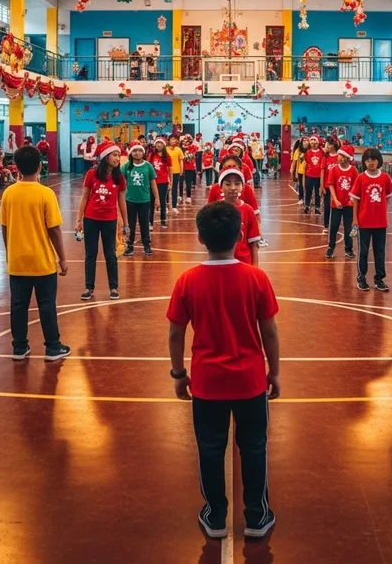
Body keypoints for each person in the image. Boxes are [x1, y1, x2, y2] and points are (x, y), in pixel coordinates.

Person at [166, 201, 280, 540]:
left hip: (207, 383)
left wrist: (177, 373)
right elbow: (270, 331)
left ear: (200, 238)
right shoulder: (256, 278)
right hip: (249, 381)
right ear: (240, 234)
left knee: (211, 448)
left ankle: (215, 515)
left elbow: (175, 332)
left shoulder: (187, 281)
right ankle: (257, 516)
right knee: (254, 446)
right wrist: (273, 372)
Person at [0, 146, 70, 362]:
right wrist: (63, 259)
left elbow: (4, 226)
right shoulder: (45, 194)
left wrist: (10, 251)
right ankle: (53, 347)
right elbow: (54, 230)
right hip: (42, 262)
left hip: (18, 261)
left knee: (18, 306)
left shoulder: (8, 193)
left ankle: (19, 347)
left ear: (17, 167)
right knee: (47, 305)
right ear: (40, 166)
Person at [75, 144, 128, 301]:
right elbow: (85, 197)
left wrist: (125, 223)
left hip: (109, 220)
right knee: (90, 255)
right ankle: (89, 288)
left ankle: (113, 287)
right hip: (91, 219)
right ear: (106, 157)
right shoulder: (92, 174)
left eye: (119, 155)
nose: (118, 159)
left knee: (110, 254)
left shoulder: (120, 178)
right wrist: (79, 220)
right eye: (114, 155)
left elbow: (122, 201)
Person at [351, 148, 392, 292]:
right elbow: (355, 200)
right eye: (367, 160)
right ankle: (362, 278)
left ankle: (379, 279)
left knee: (380, 251)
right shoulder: (360, 178)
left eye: (373, 160)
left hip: (380, 222)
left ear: (379, 161)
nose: (370, 163)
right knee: (363, 252)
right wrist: (355, 219)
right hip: (364, 222)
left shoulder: (384, 178)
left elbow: (391, 194)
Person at [217, 168, 261, 266]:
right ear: (220, 187)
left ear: (242, 187)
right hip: (221, 264)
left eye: (237, 184)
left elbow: (253, 243)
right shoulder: (215, 209)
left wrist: (255, 268)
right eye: (228, 184)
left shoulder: (248, 210)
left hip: (244, 263)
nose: (233, 187)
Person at [121, 142, 158, 257]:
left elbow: (153, 182)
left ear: (143, 152)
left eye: (139, 151)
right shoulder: (127, 166)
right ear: (131, 153)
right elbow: (120, 181)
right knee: (130, 224)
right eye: (134, 151)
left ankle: (146, 245)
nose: (137, 153)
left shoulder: (148, 166)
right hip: (130, 200)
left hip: (144, 200)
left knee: (144, 223)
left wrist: (157, 198)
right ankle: (130, 245)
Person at [326, 144, 357, 260]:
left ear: (348, 158)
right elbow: (331, 185)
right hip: (336, 204)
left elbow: (355, 187)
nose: (339, 158)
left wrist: (351, 200)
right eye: (339, 155)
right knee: (333, 226)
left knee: (349, 228)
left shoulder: (353, 171)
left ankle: (349, 249)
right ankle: (331, 247)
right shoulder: (334, 169)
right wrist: (335, 199)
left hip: (349, 204)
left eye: (342, 156)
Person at [149, 137, 171, 229]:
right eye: (157, 143)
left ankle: (163, 220)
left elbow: (170, 170)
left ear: (164, 145)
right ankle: (150, 222)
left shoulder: (167, 156)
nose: (159, 145)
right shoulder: (151, 155)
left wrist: (171, 182)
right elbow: (148, 168)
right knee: (151, 202)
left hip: (163, 182)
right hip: (152, 181)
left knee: (162, 201)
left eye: (161, 143)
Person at [320, 139, 340, 235]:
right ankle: (326, 226)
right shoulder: (325, 158)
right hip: (327, 187)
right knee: (327, 206)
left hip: (338, 187)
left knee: (337, 207)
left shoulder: (339, 157)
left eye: (328, 144)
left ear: (333, 145)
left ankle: (335, 225)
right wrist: (322, 186)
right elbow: (322, 172)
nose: (326, 146)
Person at [303, 136, 324, 216]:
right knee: (308, 191)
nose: (312, 142)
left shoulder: (321, 152)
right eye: (311, 140)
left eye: (314, 140)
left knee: (318, 192)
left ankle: (317, 207)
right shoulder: (307, 152)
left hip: (318, 176)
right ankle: (307, 206)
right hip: (309, 175)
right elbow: (306, 164)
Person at [167, 135, 184, 214]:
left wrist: (181, 170)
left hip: (176, 172)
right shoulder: (165, 149)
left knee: (174, 189)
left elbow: (180, 160)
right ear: (169, 140)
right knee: (166, 189)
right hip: (167, 172)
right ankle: (166, 206)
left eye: (175, 139)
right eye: (172, 139)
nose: (174, 141)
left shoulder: (178, 149)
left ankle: (174, 206)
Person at [181, 134, 198, 204]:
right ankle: (181, 196)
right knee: (182, 182)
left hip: (190, 167)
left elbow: (195, 156)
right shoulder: (181, 148)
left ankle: (188, 197)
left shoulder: (194, 147)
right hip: (182, 167)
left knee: (188, 183)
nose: (186, 141)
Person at [290, 139, 305, 204]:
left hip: (308, 172)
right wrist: (292, 170)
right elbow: (294, 162)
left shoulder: (308, 150)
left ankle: (307, 199)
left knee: (307, 186)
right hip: (300, 171)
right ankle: (301, 198)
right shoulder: (297, 151)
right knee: (301, 185)